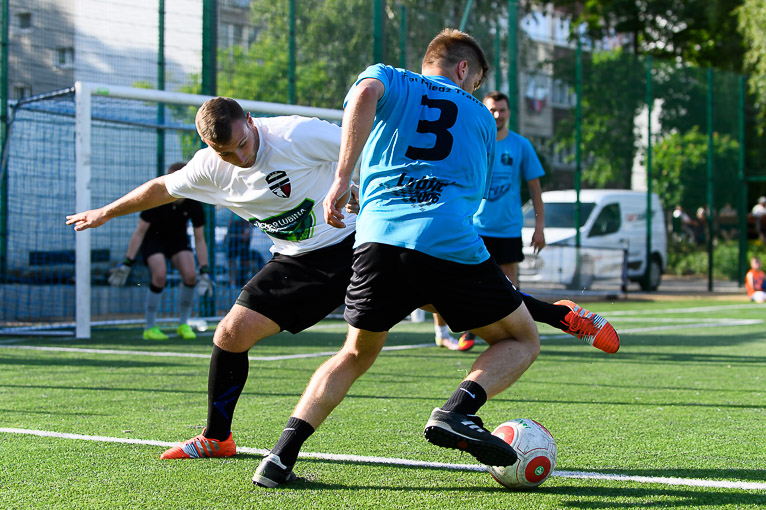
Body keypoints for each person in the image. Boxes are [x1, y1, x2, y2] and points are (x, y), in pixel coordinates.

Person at [66, 96, 617, 481]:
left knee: (441, 300)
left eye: (242, 144)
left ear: (251, 122)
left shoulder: (295, 134)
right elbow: (161, 188)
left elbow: (368, 144)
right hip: (298, 263)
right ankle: (217, 437)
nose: (239, 157)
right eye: (227, 153)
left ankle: (562, 316)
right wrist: (106, 212)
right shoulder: (210, 167)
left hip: (357, 242)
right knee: (230, 334)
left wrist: (352, 184)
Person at [252, 29, 615, 488]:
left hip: (378, 239)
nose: (475, 91)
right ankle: (458, 410)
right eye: (476, 82)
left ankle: (278, 459)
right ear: (463, 69)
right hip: (448, 240)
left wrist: (343, 177)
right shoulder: (481, 118)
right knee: (522, 340)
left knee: (354, 353)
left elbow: (363, 93)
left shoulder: (390, 77)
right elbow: (473, 196)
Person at [456, 90, 546, 348]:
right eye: (492, 110)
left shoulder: (521, 145)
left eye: (502, 110)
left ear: (509, 112)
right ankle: (470, 329)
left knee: (509, 284)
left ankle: (512, 331)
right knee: (469, 280)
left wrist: (539, 227)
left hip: (508, 228)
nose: (497, 115)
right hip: (475, 227)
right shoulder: (474, 141)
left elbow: (535, 189)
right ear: (484, 111)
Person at [107, 161, 213, 340]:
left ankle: (183, 324)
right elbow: (140, 232)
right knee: (160, 275)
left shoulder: (194, 203)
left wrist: (204, 270)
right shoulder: (155, 200)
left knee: (191, 276)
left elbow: (200, 238)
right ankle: (150, 327)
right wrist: (127, 262)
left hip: (178, 240)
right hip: (153, 239)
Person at [225, 216, 254, 287]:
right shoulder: (234, 219)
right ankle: (232, 282)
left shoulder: (247, 222)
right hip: (233, 240)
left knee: (244, 261)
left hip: (242, 241)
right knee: (232, 260)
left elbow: (246, 235)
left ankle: (244, 280)